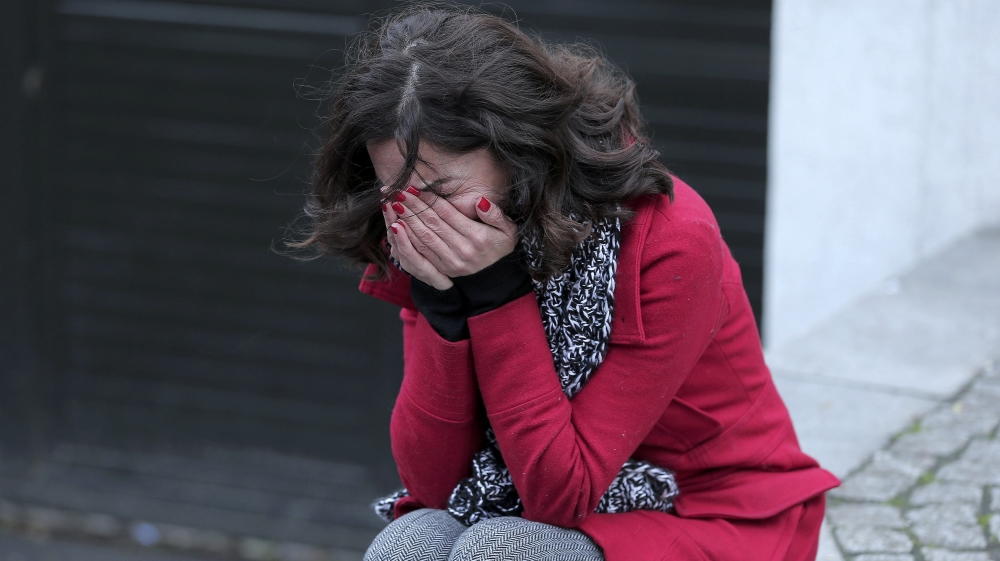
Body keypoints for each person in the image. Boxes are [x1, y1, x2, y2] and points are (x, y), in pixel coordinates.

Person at [294, 4, 839, 561]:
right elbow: (432, 486)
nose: (420, 217)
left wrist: (498, 295)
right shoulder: (430, 234)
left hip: (705, 508)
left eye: (441, 192)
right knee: (407, 543)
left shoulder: (671, 237)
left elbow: (561, 493)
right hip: (549, 496)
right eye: (396, 191)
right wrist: (444, 308)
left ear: (518, 152)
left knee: (499, 550)